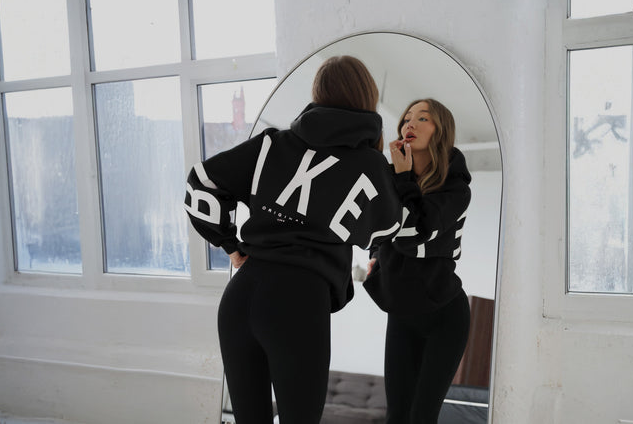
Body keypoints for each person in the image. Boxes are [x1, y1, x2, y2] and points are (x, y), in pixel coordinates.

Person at [184, 55, 402, 424]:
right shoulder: (368, 165)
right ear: (367, 96)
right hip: (298, 304)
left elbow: (200, 186)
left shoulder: (273, 144)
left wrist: (231, 246)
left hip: (241, 296)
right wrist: (402, 178)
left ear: (318, 93)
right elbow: (384, 230)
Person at [363, 98, 472, 424]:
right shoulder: (391, 180)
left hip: (444, 315)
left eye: (423, 118)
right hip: (401, 311)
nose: (409, 123)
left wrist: (403, 177)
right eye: (407, 118)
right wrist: (376, 256)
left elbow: (413, 233)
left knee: (421, 417)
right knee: (396, 416)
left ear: (441, 130)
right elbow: (376, 226)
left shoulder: (455, 189)